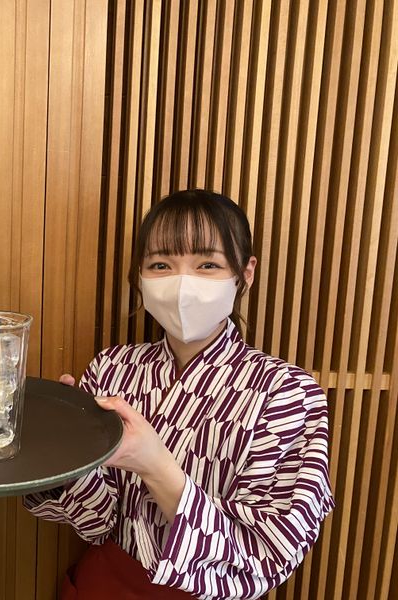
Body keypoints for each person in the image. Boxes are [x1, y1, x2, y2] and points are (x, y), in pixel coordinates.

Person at [24, 190, 334, 599]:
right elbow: (96, 523)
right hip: (103, 582)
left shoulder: (289, 393)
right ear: (139, 275)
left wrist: (155, 465)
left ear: (245, 272)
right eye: (161, 265)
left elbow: (266, 556)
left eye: (207, 264)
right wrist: (67, 456)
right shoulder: (112, 367)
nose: (182, 283)